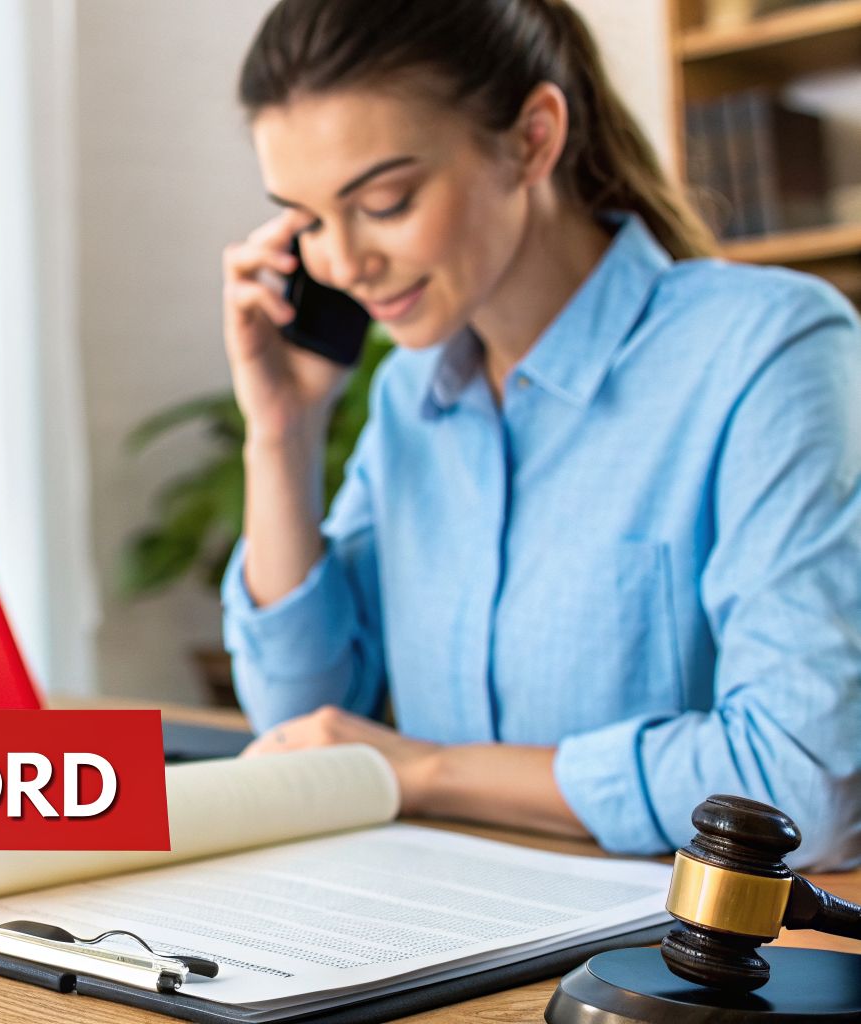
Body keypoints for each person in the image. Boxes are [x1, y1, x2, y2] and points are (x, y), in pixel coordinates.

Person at [220, 0, 861, 868]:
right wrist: (281, 433)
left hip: (674, 972)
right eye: (306, 220)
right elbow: (304, 716)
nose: (339, 262)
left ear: (532, 140)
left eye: (385, 201)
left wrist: (434, 773)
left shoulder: (765, 350)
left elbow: (801, 784)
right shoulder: (414, 394)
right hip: (451, 927)